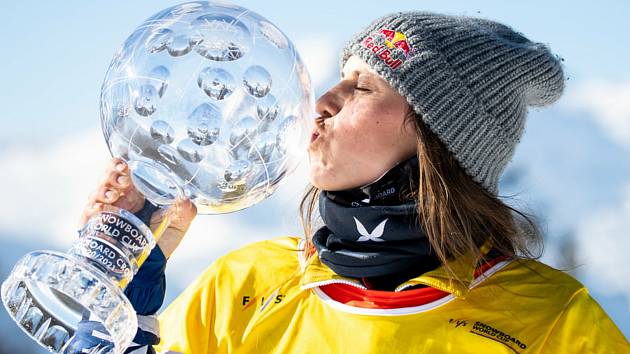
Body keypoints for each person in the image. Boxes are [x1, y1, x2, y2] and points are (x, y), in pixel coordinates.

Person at [80, 11, 630, 354]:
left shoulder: (554, 321)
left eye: (361, 88)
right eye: (338, 80)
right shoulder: (241, 287)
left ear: (439, 133)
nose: (320, 104)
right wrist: (121, 307)